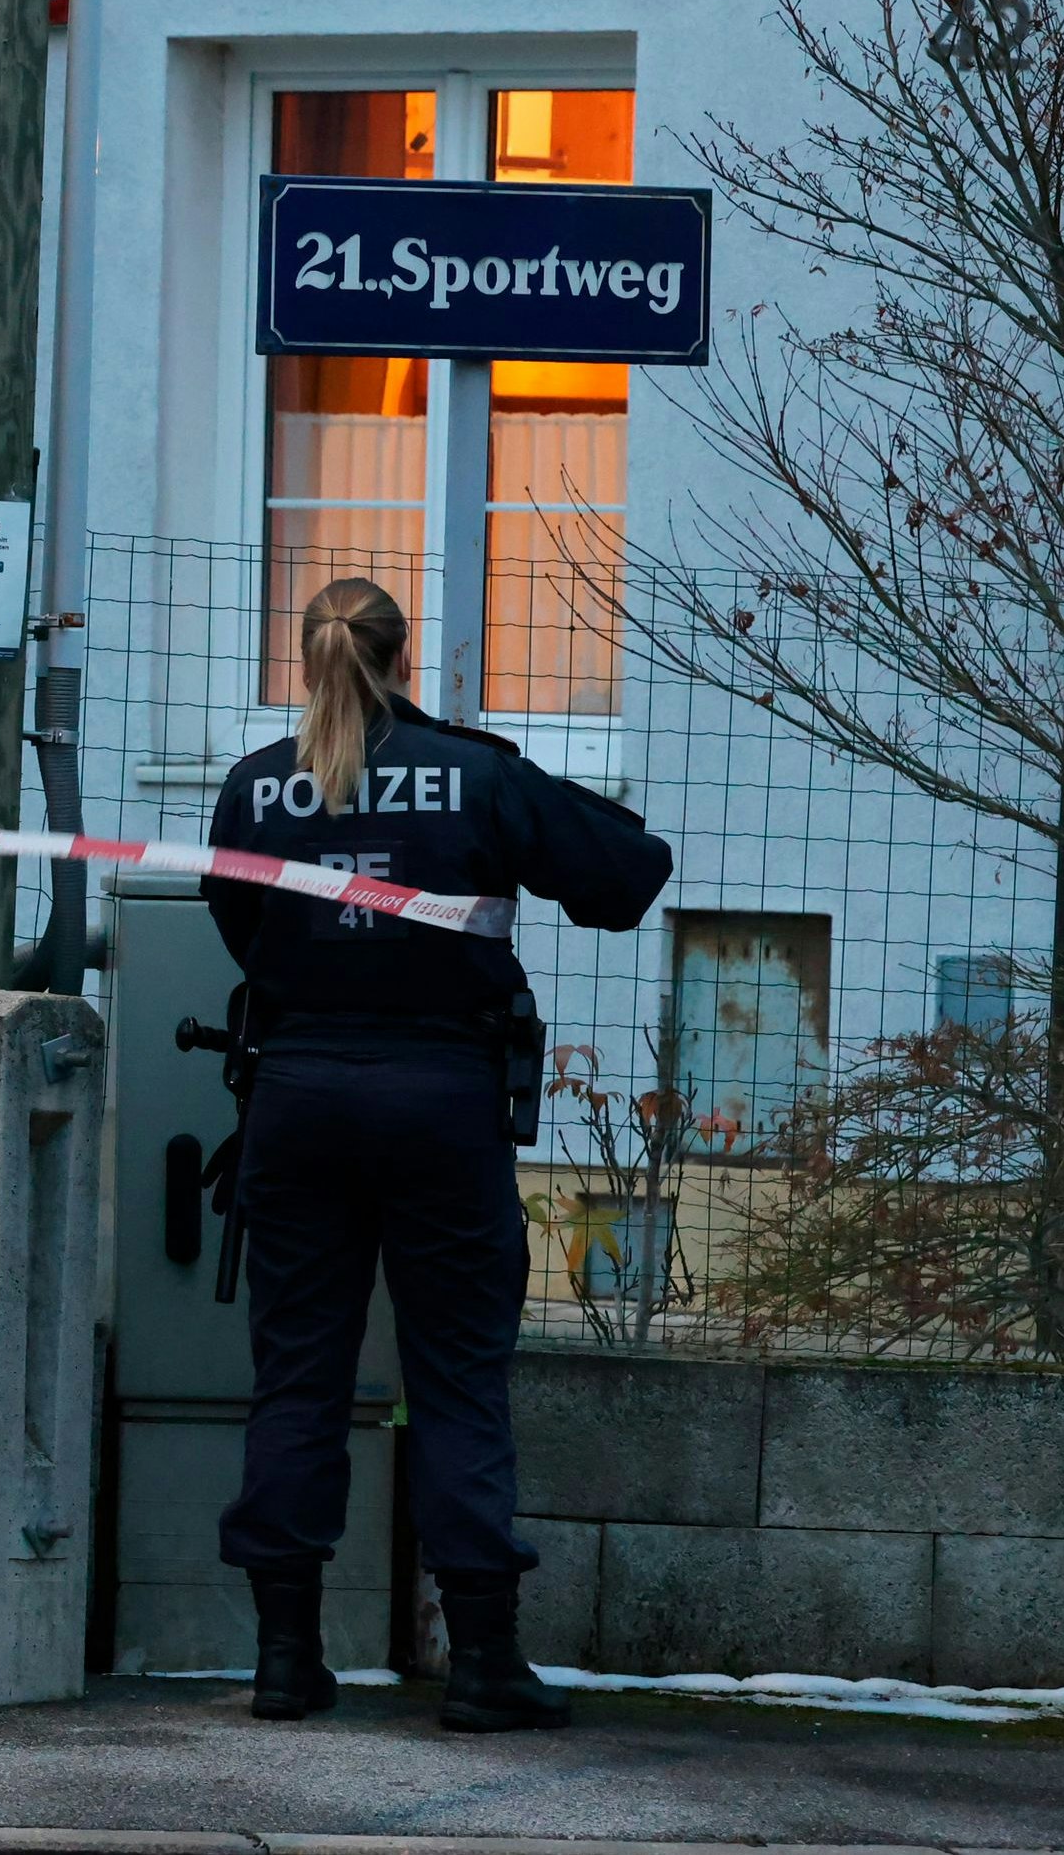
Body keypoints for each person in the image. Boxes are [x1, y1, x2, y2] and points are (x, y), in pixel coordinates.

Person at [203, 577, 672, 1733]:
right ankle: (481, 1665)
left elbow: (242, 934)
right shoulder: (475, 773)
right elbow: (626, 877)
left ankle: (283, 1661)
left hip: (297, 1103)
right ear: (403, 659)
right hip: (440, 1105)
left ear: (304, 661)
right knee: (457, 1376)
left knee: (297, 1376)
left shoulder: (254, 786)